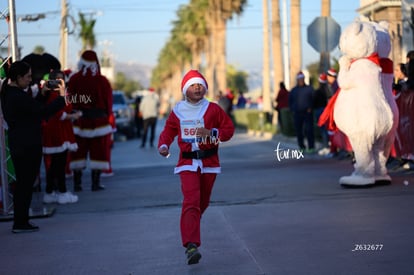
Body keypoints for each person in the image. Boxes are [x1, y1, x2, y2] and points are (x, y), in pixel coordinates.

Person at [158, 70, 234, 265]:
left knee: (203, 202)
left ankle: (190, 224)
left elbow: (228, 130)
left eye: (200, 84)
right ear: (185, 90)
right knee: (191, 200)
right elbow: (168, 131)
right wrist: (164, 145)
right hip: (187, 163)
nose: (197, 87)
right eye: (193, 85)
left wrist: (212, 132)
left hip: (209, 163)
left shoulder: (213, 109)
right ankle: (191, 245)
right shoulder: (177, 111)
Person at [1, 61, 66, 233]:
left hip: (20, 143)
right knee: (25, 184)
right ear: (18, 77)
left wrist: (43, 94)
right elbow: (42, 113)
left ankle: (21, 221)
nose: (30, 80)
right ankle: (20, 222)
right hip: (27, 145)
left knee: (24, 184)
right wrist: (62, 98)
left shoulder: (10, 94)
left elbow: (31, 110)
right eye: (28, 76)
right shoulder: (17, 96)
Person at [67, 50, 113, 192]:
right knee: (98, 152)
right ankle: (95, 183)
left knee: (78, 153)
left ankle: (77, 184)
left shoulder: (74, 79)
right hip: (99, 122)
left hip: (80, 121)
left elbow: (71, 100)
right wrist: (107, 113)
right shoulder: (102, 80)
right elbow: (108, 102)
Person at [42, 70, 82, 204]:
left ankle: (51, 191)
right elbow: (59, 114)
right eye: (58, 80)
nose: (60, 82)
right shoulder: (53, 94)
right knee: (59, 164)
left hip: (61, 130)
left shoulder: (60, 94)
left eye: (62, 79)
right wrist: (73, 116)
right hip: (57, 131)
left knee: (56, 164)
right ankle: (62, 192)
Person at [288, 71, 315, 153]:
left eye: (302, 79)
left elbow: (314, 99)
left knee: (309, 130)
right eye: (299, 79)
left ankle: (311, 147)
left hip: (307, 113)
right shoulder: (293, 90)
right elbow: (290, 101)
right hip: (297, 113)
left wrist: (310, 107)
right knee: (299, 131)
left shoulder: (309, 88)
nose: (301, 81)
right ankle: (301, 147)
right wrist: (293, 109)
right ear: (297, 80)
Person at [313, 73, 330, 153]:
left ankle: (326, 146)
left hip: (320, 111)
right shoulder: (328, 91)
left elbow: (314, 102)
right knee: (327, 129)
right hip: (326, 111)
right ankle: (327, 145)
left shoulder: (318, 91)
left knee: (323, 130)